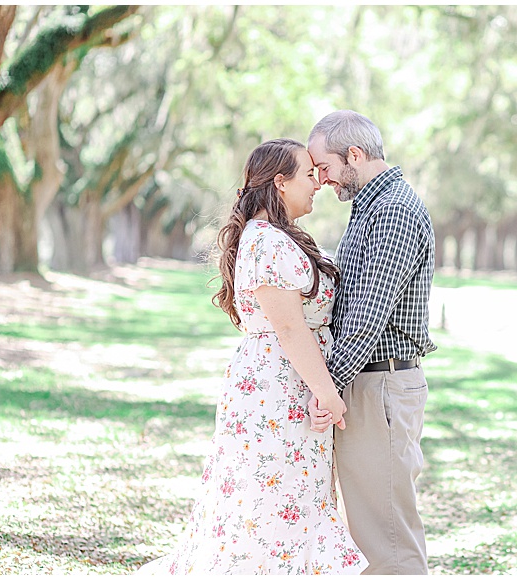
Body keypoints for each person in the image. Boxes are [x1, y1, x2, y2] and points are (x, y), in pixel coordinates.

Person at [137, 138, 367, 575]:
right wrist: (328, 393)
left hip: (287, 383)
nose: (317, 182)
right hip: (276, 393)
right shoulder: (266, 243)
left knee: (286, 499)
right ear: (280, 183)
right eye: (307, 173)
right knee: (269, 503)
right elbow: (289, 327)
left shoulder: (274, 238)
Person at [307, 111, 437, 575]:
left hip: (380, 385)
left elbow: (366, 318)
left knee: (388, 541)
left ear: (354, 156)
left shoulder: (393, 211)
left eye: (323, 167)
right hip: (367, 384)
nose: (319, 179)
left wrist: (327, 390)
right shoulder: (369, 208)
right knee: (366, 532)